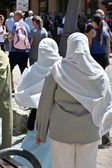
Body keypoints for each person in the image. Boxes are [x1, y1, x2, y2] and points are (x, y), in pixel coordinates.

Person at [36, 32, 112, 168]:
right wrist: (105, 133)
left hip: (61, 130)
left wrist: (41, 132)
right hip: (89, 131)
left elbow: (45, 103)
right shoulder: (99, 73)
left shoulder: (57, 70)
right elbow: (106, 105)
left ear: (69, 46)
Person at [14, 38, 60, 168]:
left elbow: (20, 95)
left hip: (36, 118)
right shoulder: (61, 68)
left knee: (31, 149)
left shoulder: (34, 69)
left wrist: (35, 100)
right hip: (55, 119)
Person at [8, 10, 31, 91]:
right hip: (25, 52)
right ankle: (26, 88)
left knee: (9, 69)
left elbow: (11, 38)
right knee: (24, 71)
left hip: (14, 52)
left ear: (18, 16)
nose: (13, 17)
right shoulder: (27, 25)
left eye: (14, 15)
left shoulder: (16, 25)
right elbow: (30, 38)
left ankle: (12, 88)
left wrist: (7, 37)